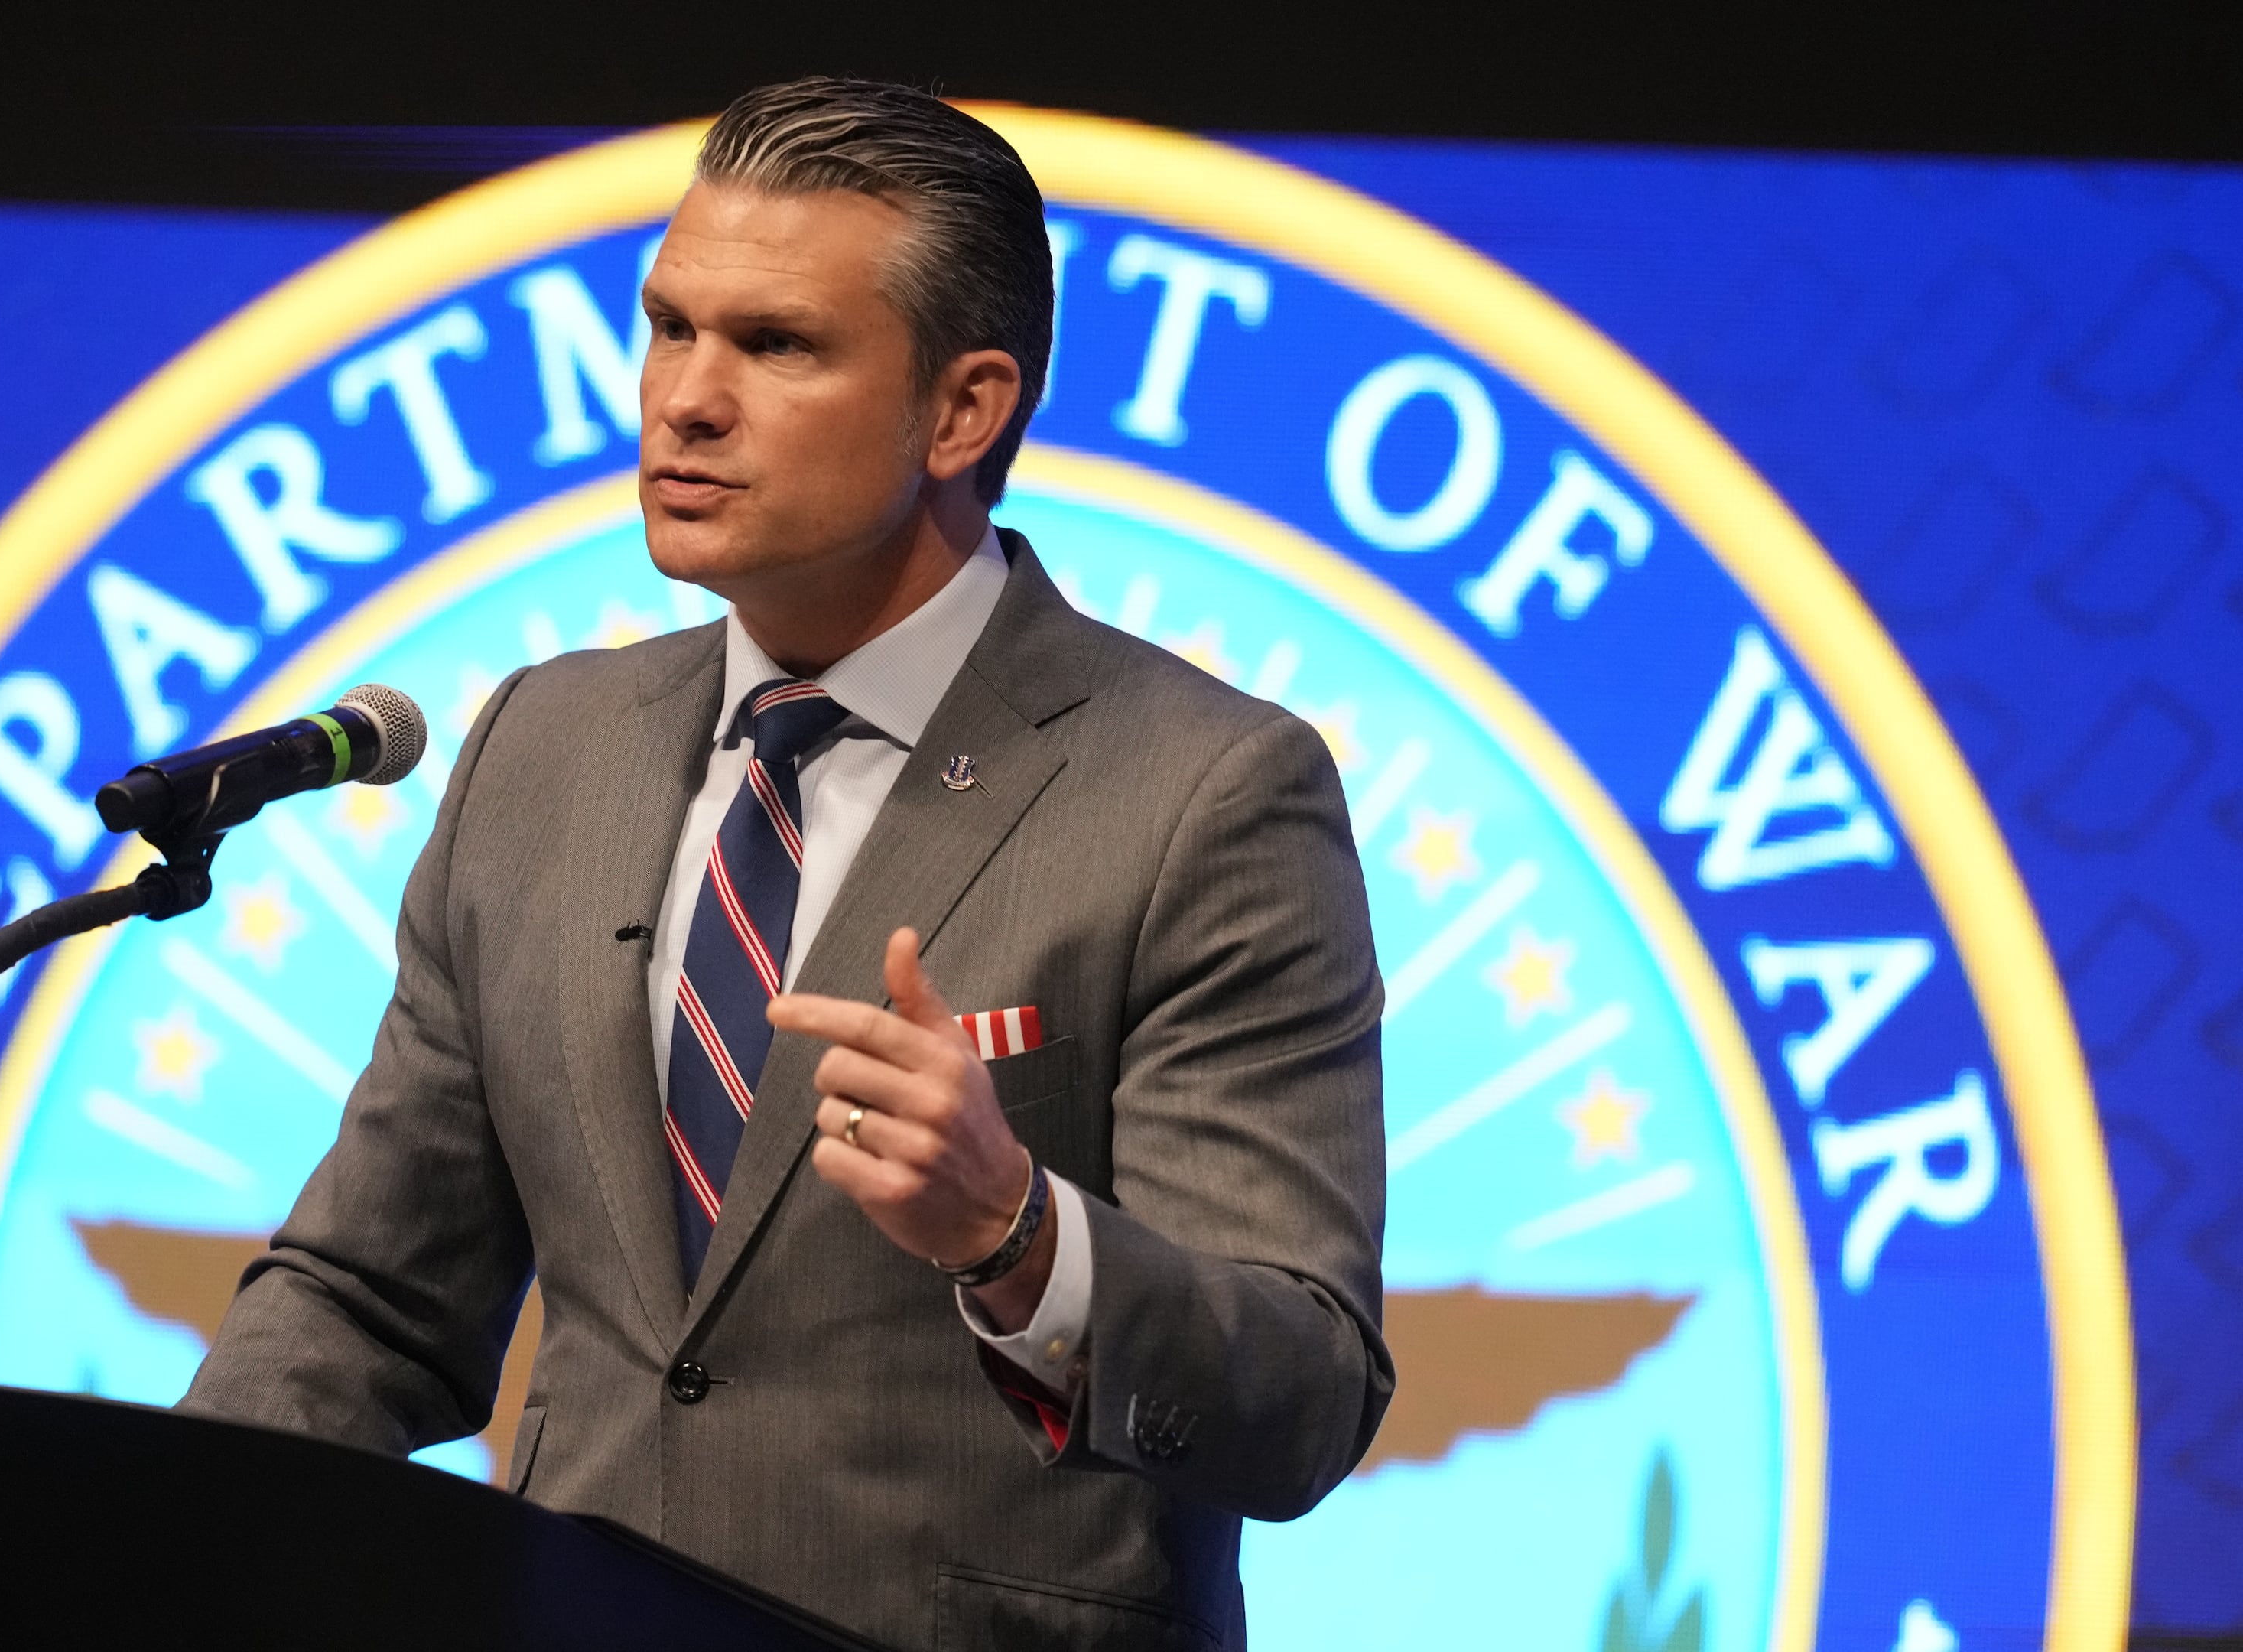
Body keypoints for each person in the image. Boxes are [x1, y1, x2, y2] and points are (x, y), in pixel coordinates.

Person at [183, 76, 1393, 1651]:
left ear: (963, 411)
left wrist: (1018, 1233)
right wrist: (155, 1537)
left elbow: (1300, 1395)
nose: (684, 397)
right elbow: (368, 1296)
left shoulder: (1203, 792)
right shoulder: (544, 751)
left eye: (776, 346)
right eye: (669, 327)